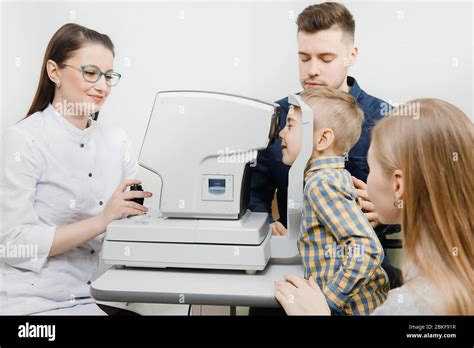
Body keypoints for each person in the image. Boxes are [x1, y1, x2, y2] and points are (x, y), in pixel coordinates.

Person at [0, 23, 151, 315]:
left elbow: (130, 224)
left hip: (91, 296)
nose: (103, 86)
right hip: (33, 305)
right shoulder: (23, 140)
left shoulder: (116, 141)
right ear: (54, 71)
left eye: (108, 76)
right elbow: (11, 243)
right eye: (91, 73)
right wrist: (102, 220)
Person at [249, 2, 402, 286]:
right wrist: (265, 225)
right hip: (289, 265)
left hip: (365, 274)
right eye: (304, 58)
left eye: (326, 58)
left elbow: (423, 203)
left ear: (351, 55)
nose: (312, 70)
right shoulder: (275, 116)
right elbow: (254, 195)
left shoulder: (388, 121)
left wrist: (391, 213)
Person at [275, 98, 474, 315]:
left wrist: (323, 308)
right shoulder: (443, 281)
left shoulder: (410, 307)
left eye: (371, 168)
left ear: (398, 185)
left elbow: (367, 250)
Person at [279, 87, 389, 315]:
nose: (281, 133)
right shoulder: (332, 176)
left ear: (322, 139)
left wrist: (326, 302)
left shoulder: (322, 184)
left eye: (289, 125)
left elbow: (367, 250)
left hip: (351, 309)